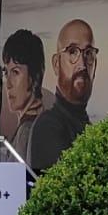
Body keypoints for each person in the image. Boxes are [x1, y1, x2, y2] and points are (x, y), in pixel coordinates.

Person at [28, 20, 96, 171]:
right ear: (56, 64)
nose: (82, 64)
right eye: (72, 52)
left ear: (95, 66)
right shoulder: (48, 127)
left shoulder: (89, 128)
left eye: (88, 53)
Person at [0, 29, 49, 154]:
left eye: (15, 72)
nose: (8, 84)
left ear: (35, 76)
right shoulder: (41, 123)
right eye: (6, 73)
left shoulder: (27, 130)